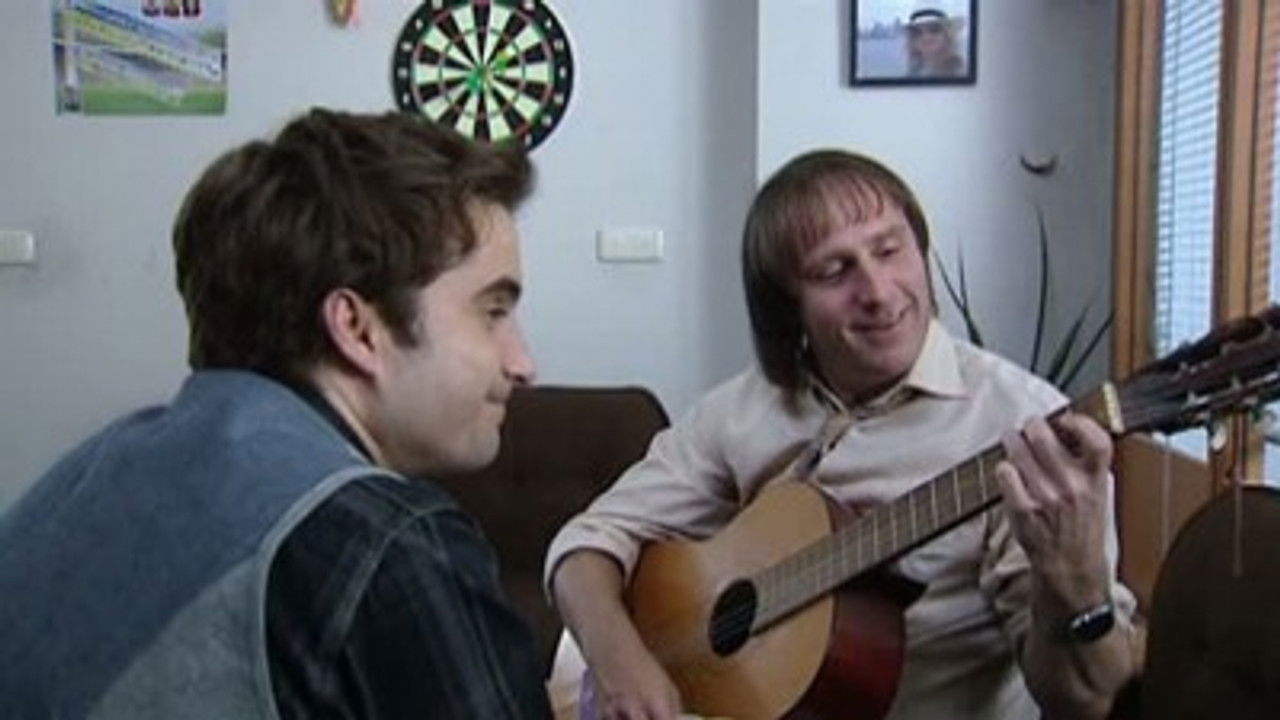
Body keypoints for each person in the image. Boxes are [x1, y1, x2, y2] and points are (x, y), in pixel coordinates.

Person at [544, 150, 1142, 719]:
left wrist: (1075, 579)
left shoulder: (1024, 425)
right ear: (787, 308)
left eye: (890, 250)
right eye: (834, 271)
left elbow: (1083, 702)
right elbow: (584, 544)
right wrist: (619, 662)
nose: (878, 292)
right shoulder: (742, 410)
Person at [0, 108, 552, 720]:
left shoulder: (90, 471)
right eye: (492, 312)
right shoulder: (388, 543)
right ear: (358, 330)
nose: (523, 363)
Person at [904, 7, 966, 79]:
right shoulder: (912, 73)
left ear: (947, 36)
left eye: (934, 29)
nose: (926, 37)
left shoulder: (961, 72)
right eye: (917, 32)